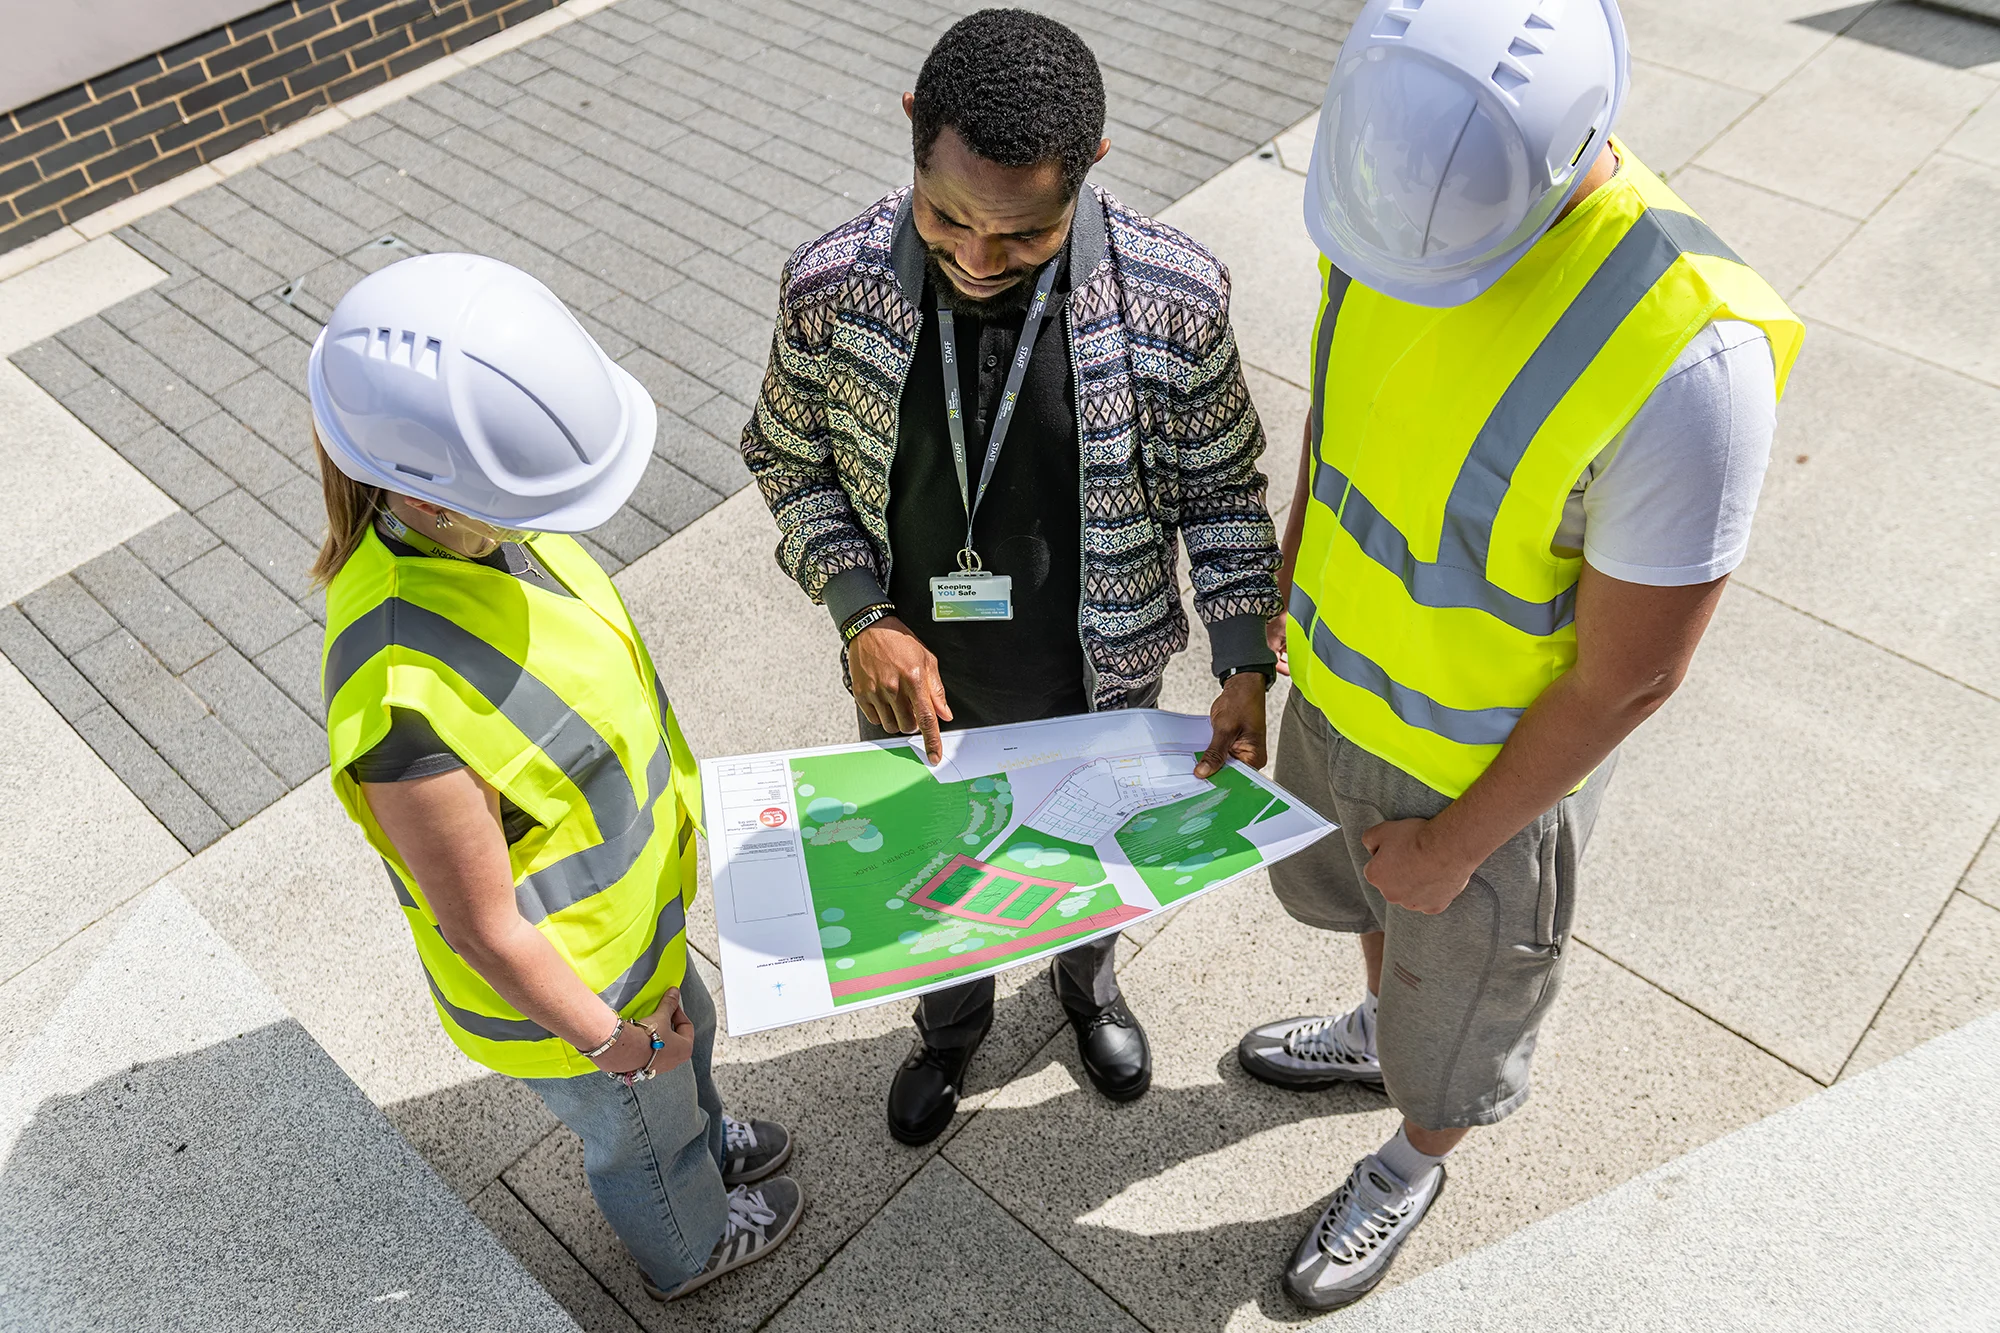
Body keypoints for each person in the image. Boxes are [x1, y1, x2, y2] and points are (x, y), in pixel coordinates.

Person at [1234, 0, 1805, 1311]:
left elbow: (1631, 677)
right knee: (1371, 921)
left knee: (1462, 1000)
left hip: (1482, 781)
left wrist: (1459, 841)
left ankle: (1414, 1155)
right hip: (1335, 692)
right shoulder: (1390, 195)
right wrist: (1286, 585)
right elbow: (1342, 409)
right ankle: (1383, 1034)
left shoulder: (1689, 354)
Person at [740, 9, 1283, 1146]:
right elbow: (786, 457)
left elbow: (1224, 493)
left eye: (1023, 235)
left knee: (1091, 857)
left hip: (1102, 676)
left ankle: (1088, 991)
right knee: (937, 865)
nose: (977, 260)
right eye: (945, 218)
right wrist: (860, 617)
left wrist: (1241, 660)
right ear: (909, 132)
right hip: (919, 682)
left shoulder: (1174, 298)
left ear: (1089, 165)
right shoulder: (829, 284)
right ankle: (948, 1027)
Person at [307, 254, 803, 1301]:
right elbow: (482, 927)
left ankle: (704, 1142)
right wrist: (616, 1047)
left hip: (636, 936)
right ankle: (688, 1242)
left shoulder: (489, 534)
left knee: (690, 1057)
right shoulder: (401, 693)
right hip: (578, 997)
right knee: (639, 1133)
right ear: (423, 491)